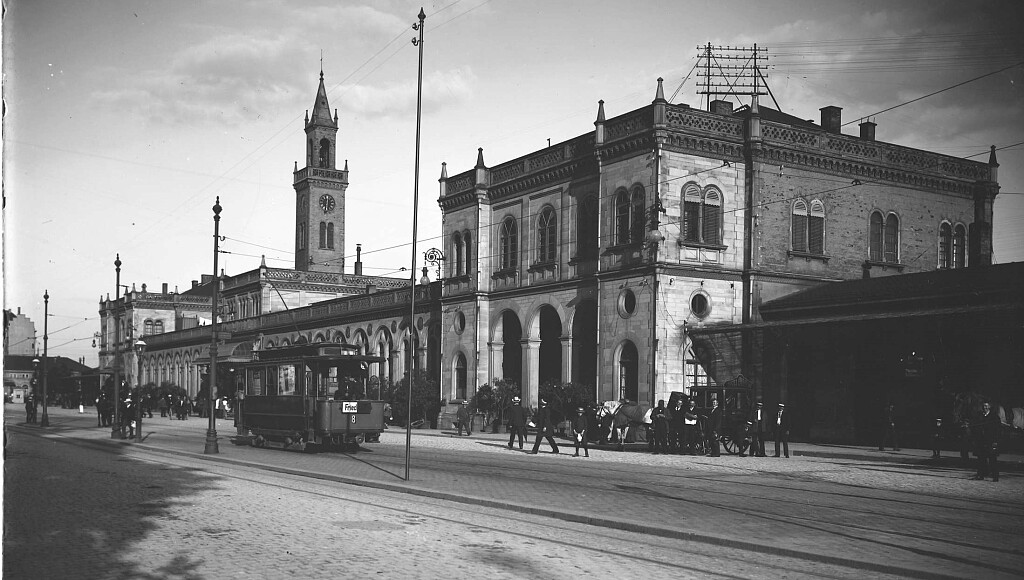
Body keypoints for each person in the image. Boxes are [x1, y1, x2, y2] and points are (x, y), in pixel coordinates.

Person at [972, 402, 1000, 482]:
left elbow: (998, 430)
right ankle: (981, 475)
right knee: (981, 459)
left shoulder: (994, 417)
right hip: (981, 441)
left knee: (992, 459)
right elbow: (976, 428)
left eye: (987, 406)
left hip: (990, 441)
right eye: (984, 406)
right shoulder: (980, 416)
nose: (985, 407)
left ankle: (995, 476)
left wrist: (995, 441)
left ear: (990, 406)